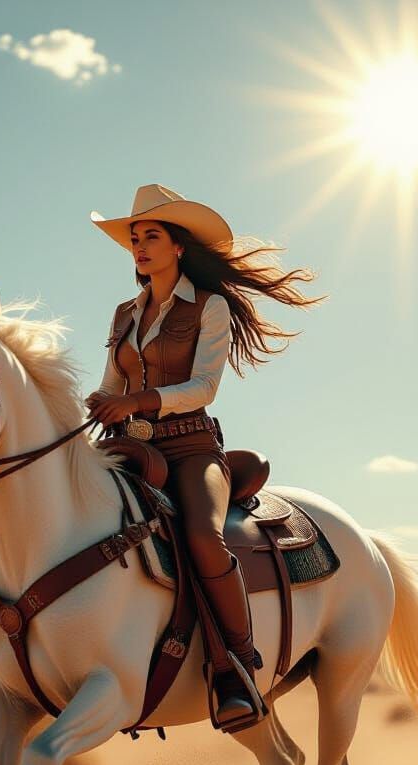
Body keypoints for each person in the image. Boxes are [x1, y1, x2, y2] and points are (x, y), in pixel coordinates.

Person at [85, 183, 323, 732]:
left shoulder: (208, 307)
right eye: (134, 239)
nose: (139, 247)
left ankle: (235, 667)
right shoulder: (124, 313)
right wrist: (99, 403)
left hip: (193, 449)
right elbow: (109, 383)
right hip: (129, 448)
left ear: (178, 247)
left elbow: (204, 386)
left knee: (201, 537)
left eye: (151, 236)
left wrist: (139, 401)